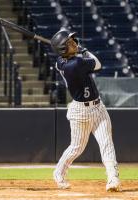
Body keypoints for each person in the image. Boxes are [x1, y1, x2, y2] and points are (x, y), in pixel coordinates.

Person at [50, 29, 120, 192]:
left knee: (106, 143)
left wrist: (71, 50)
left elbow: (62, 58)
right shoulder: (76, 64)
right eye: (69, 43)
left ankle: (113, 178)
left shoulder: (60, 62)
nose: (74, 43)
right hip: (80, 112)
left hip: (98, 107)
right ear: (62, 49)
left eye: (73, 41)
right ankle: (58, 172)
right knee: (77, 147)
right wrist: (84, 50)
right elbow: (98, 64)